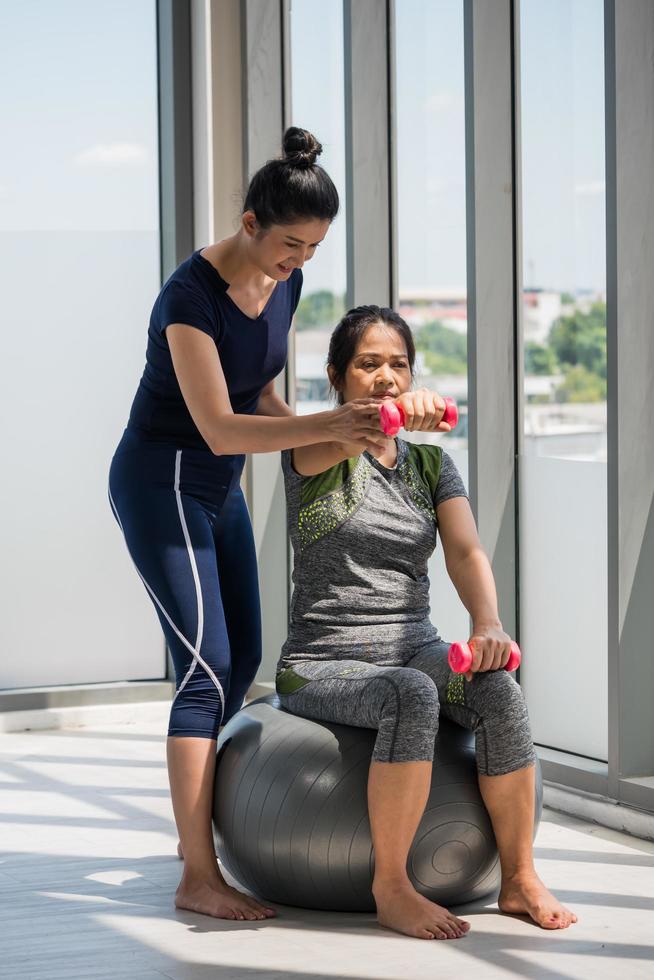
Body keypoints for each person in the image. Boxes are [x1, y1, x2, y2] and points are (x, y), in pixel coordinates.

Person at [108, 129, 423, 922]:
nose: (299, 262)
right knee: (208, 668)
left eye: (313, 248)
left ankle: (202, 841)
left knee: (243, 654)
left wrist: (349, 437)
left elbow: (266, 406)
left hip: (220, 487)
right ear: (249, 222)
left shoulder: (281, 285)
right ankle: (196, 872)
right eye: (289, 244)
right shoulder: (189, 299)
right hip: (162, 482)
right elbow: (217, 425)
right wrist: (333, 420)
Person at [275, 304, 578, 940]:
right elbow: (337, 436)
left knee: (498, 692)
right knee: (409, 696)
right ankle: (391, 886)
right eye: (368, 364)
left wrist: (487, 624)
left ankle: (519, 878)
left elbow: (467, 551)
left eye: (399, 365)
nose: (386, 376)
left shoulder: (432, 466)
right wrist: (375, 420)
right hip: (322, 662)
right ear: (336, 375)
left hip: (413, 643)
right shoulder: (312, 450)